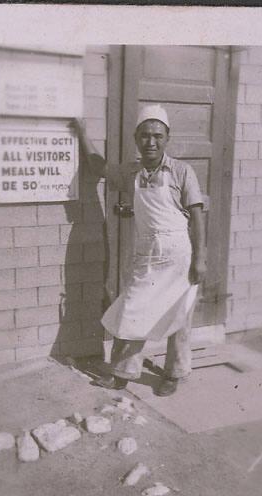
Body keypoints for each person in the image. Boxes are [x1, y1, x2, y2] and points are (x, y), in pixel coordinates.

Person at [75, 105, 206, 396]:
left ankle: (174, 373)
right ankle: (123, 372)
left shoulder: (182, 172)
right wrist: (82, 133)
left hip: (179, 256)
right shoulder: (130, 173)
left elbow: (197, 217)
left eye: (158, 136)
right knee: (133, 310)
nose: (151, 142)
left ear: (167, 138)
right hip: (147, 254)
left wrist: (200, 258)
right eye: (145, 135)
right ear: (136, 138)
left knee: (180, 315)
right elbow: (99, 166)